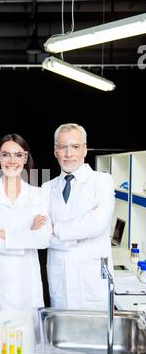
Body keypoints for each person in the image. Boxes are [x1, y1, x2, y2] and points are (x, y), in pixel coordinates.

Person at [0, 134, 52, 311]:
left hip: (27, 281)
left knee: (28, 333)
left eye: (18, 155)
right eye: (6, 154)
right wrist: (27, 236)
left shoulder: (38, 194)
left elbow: (42, 240)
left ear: (25, 158)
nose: (12, 160)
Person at [43, 123, 115, 310]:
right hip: (61, 282)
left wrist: (56, 229)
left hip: (92, 283)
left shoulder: (102, 181)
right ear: (55, 151)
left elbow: (97, 223)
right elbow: (41, 235)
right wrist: (79, 234)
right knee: (63, 335)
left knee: (96, 335)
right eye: (63, 147)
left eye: (75, 147)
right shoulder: (46, 189)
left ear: (84, 149)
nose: (69, 154)